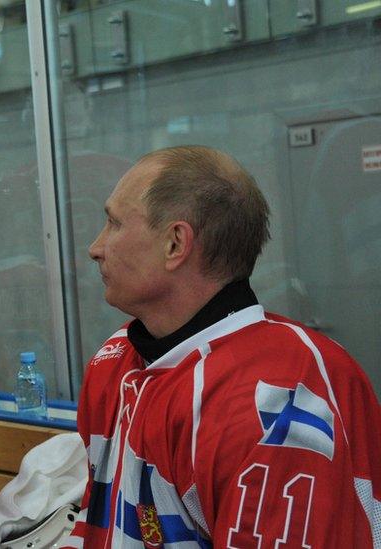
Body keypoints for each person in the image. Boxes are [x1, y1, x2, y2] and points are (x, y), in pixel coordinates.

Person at [61, 146, 381, 548]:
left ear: (175, 243)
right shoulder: (114, 360)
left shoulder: (278, 396)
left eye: (114, 223)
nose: (96, 247)